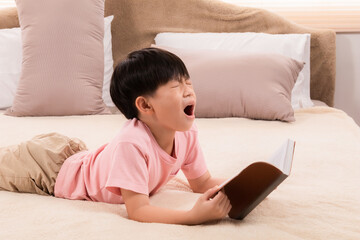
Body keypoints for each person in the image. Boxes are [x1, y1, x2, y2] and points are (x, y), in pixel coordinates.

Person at [0, 47, 231, 225]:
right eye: (176, 86)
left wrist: (252, 182)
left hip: (75, 154)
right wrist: (191, 216)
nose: (189, 90)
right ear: (145, 105)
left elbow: (202, 183)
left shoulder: (187, 134)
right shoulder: (131, 143)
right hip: (49, 172)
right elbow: (138, 210)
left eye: (188, 82)